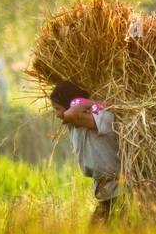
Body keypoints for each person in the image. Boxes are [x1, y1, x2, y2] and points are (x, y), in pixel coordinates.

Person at [49, 79, 120, 223]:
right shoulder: (74, 126)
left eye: (58, 109)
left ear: (69, 104)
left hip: (119, 192)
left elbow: (71, 114)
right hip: (105, 193)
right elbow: (70, 114)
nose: (57, 115)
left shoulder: (102, 117)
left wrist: (94, 104)